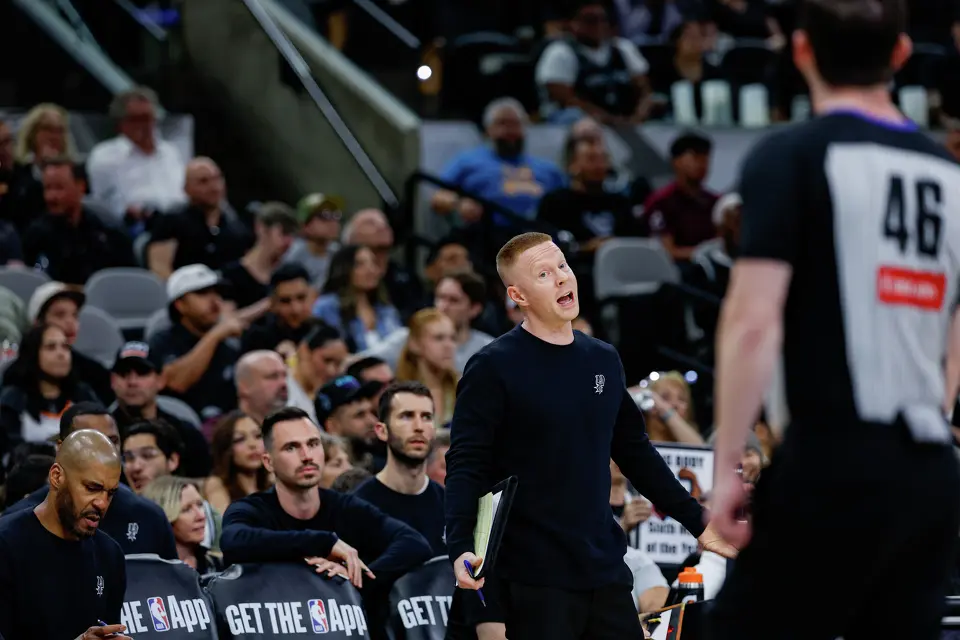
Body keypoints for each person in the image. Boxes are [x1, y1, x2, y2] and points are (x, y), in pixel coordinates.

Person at [709, 2, 960, 639]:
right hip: (931, 469)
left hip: (831, 460)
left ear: (800, 52)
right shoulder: (949, 175)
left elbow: (753, 320)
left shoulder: (792, 155)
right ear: (901, 55)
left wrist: (727, 461)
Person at [445, 232, 734, 640]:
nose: (563, 278)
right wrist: (459, 545)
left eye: (562, 265)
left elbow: (636, 452)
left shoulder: (602, 357)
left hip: (603, 564)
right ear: (518, 295)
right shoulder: (492, 367)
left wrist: (699, 522)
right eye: (543, 274)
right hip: (533, 574)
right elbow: (465, 463)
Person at [219, 407, 433, 590]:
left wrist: (355, 578)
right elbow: (233, 540)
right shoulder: (252, 509)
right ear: (268, 462)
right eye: (291, 447)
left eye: (313, 444)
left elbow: (413, 543)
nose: (306, 456)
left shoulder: (345, 507)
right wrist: (324, 543)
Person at [0, 429, 130, 640]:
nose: (102, 503)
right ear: (57, 476)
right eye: (92, 488)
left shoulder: (110, 555)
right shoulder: (6, 544)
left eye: (110, 493)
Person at [4, 402, 178, 558]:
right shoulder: (12, 528)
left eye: (112, 441)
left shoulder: (149, 516)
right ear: (61, 448)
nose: (105, 450)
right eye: (91, 440)